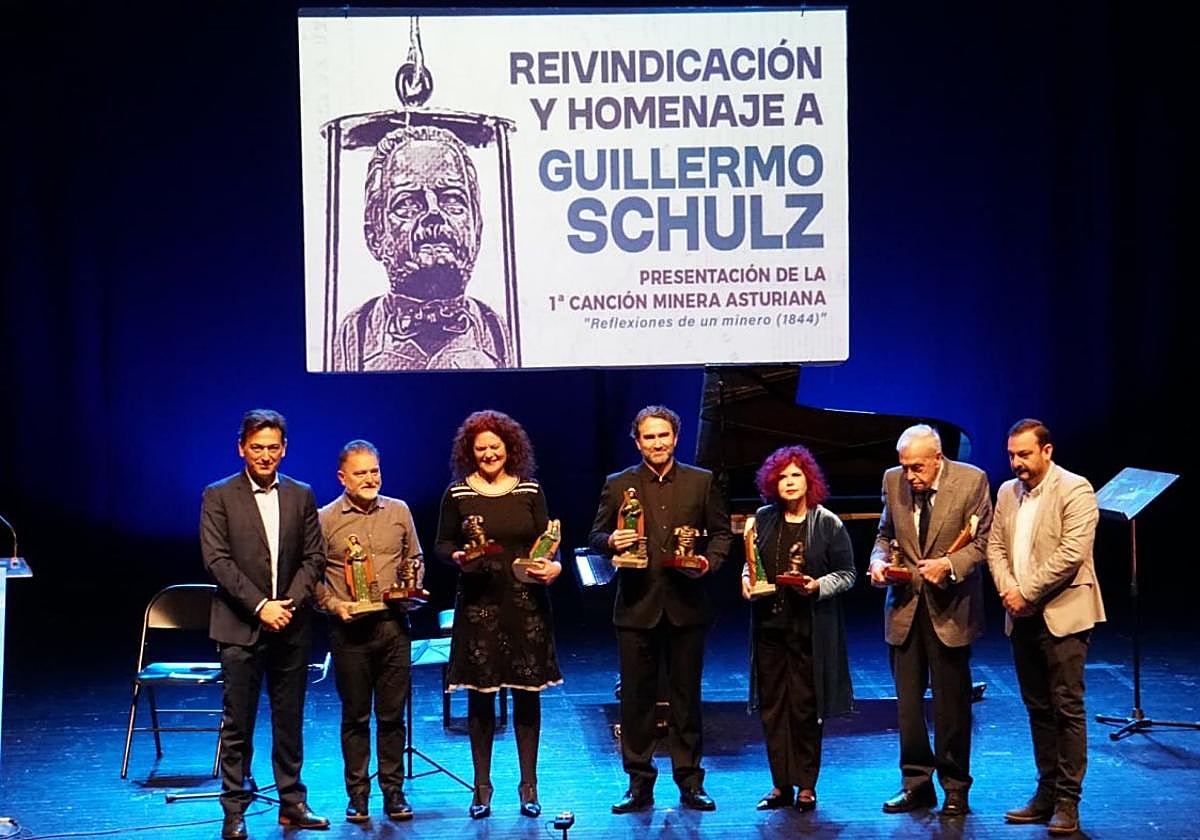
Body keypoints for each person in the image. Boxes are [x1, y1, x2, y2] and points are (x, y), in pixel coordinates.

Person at [587, 405, 732, 814]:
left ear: (675, 438)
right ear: (637, 442)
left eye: (662, 435)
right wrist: (611, 541)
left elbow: (722, 535)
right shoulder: (619, 485)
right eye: (648, 437)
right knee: (636, 701)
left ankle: (690, 782)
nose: (656, 443)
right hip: (636, 607)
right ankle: (639, 784)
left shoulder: (701, 482)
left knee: (687, 700)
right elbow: (596, 535)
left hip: (687, 605)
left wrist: (707, 563)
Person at [199, 410, 329, 840]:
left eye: (273, 447)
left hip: (291, 626)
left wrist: (286, 603)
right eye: (257, 447)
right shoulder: (218, 495)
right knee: (239, 723)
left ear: (284, 449)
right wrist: (260, 607)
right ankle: (234, 809)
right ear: (242, 448)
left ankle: (292, 802)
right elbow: (217, 560)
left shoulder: (301, 494)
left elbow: (314, 557)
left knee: (289, 719)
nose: (265, 455)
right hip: (240, 626)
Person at [433, 410, 562, 819]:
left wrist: (551, 564)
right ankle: (482, 788)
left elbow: (548, 539)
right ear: (470, 453)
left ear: (509, 448)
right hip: (478, 605)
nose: (489, 453)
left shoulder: (529, 489)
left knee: (527, 698)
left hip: (525, 604)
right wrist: (457, 556)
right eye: (481, 448)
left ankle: (529, 786)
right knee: (481, 700)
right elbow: (441, 544)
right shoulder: (457, 493)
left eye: (495, 446)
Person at [867, 424, 992, 818]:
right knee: (908, 707)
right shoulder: (893, 480)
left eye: (917, 468)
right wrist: (877, 561)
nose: (909, 476)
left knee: (951, 707)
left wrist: (950, 565)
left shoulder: (972, 481)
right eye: (904, 467)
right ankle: (916, 784)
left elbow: (985, 542)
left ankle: (955, 786)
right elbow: (884, 534)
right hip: (904, 609)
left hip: (950, 609)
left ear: (938, 459)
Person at [986, 419, 1103, 835]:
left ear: (1047, 451)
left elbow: (1072, 553)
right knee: (1038, 708)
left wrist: (1026, 593)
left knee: (1066, 708)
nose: (1017, 462)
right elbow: (995, 547)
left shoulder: (1075, 488)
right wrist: (1008, 590)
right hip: (1019, 614)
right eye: (1012, 455)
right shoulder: (1006, 492)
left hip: (1063, 612)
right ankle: (1046, 793)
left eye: (1025, 454)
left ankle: (1069, 802)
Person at [333, 125, 511, 371]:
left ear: (477, 228)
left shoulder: (494, 328)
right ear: (375, 234)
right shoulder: (358, 329)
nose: (434, 213)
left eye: (452, 199)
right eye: (408, 203)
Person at [740, 445, 855, 813]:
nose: (789, 483)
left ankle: (806, 785)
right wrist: (746, 578)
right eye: (783, 477)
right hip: (771, 628)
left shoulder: (827, 523)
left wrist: (817, 586)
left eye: (796, 475)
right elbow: (751, 563)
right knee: (774, 708)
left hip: (810, 630)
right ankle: (780, 784)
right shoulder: (763, 518)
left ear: (809, 480)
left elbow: (848, 574)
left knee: (806, 708)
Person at [315, 440, 423, 823]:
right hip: (350, 633)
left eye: (374, 471)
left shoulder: (398, 510)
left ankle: (393, 792)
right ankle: (357, 795)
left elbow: (415, 558)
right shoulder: (325, 519)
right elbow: (311, 578)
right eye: (360, 472)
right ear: (342, 477)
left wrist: (413, 589)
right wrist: (334, 605)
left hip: (394, 627)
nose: (369, 478)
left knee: (392, 716)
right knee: (356, 716)